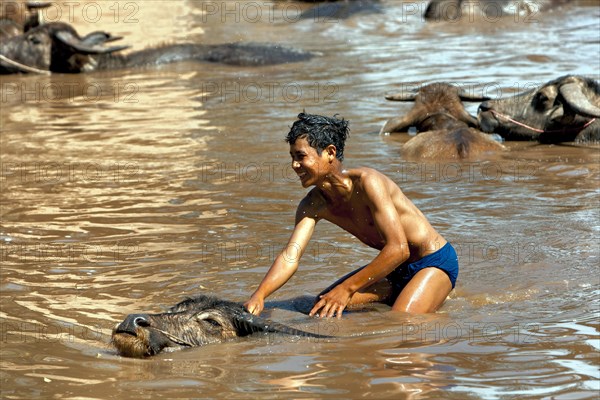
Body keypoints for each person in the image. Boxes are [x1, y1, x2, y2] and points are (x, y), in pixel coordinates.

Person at [244, 112, 458, 319]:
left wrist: (346, 289)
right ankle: (407, 295)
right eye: (292, 157)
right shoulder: (312, 204)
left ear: (329, 152)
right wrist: (259, 295)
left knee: (400, 322)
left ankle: (431, 289)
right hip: (393, 270)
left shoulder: (368, 182)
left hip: (433, 261)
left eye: (301, 156)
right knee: (320, 307)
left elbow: (399, 249)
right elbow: (290, 257)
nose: (294, 165)